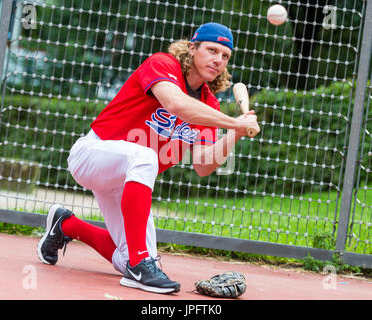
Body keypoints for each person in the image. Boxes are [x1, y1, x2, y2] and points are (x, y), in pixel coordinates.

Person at [37, 22, 259, 294]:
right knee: (146, 157)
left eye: (225, 56)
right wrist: (230, 121)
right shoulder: (162, 64)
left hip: (129, 175)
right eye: (212, 50)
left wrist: (235, 131)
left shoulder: (208, 104)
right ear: (192, 48)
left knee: (126, 259)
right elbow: (176, 104)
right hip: (93, 154)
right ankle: (140, 263)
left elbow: (203, 165)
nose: (218, 60)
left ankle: (67, 224)